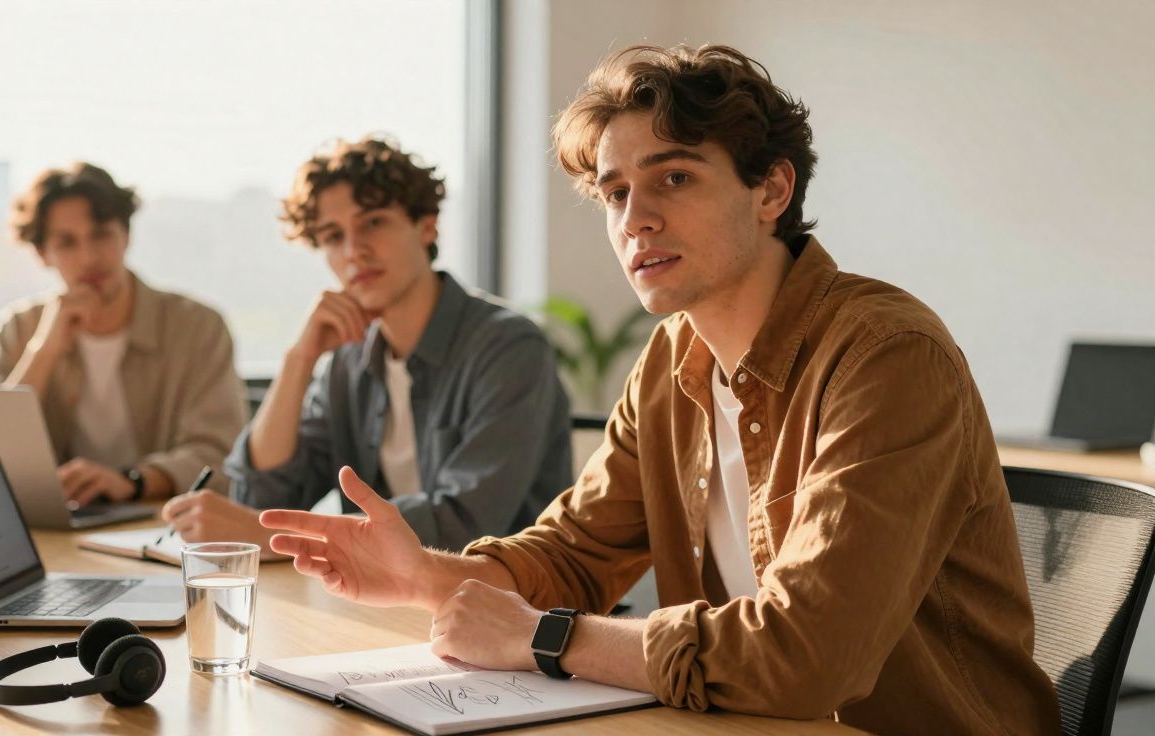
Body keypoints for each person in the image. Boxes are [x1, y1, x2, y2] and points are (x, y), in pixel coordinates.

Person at [258, 46, 1060, 734]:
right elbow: (577, 553)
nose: (634, 219)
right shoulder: (673, 359)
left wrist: (547, 639)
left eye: (672, 177)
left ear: (771, 191)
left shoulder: (887, 355)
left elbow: (809, 655)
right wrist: (423, 576)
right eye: (614, 193)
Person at [161, 137, 572, 553]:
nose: (354, 251)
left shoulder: (509, 348)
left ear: (425, 225)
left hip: (511, 605)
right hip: (389, 604)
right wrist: (298, 360)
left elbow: (466, 524)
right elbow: (261, 500)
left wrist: (264, 533)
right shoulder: (348, 361)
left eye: (373, 222)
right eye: (333, 236)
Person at [0, 162, 247, 504]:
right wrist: (43, 352)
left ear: (126, 235)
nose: (89, 257)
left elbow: (220, 451)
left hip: (163, 524)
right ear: (43, 254)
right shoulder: (16, 329)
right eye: (67, 242)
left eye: (101, 234)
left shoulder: (197, 327)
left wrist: (132, 482)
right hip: (53, 527)